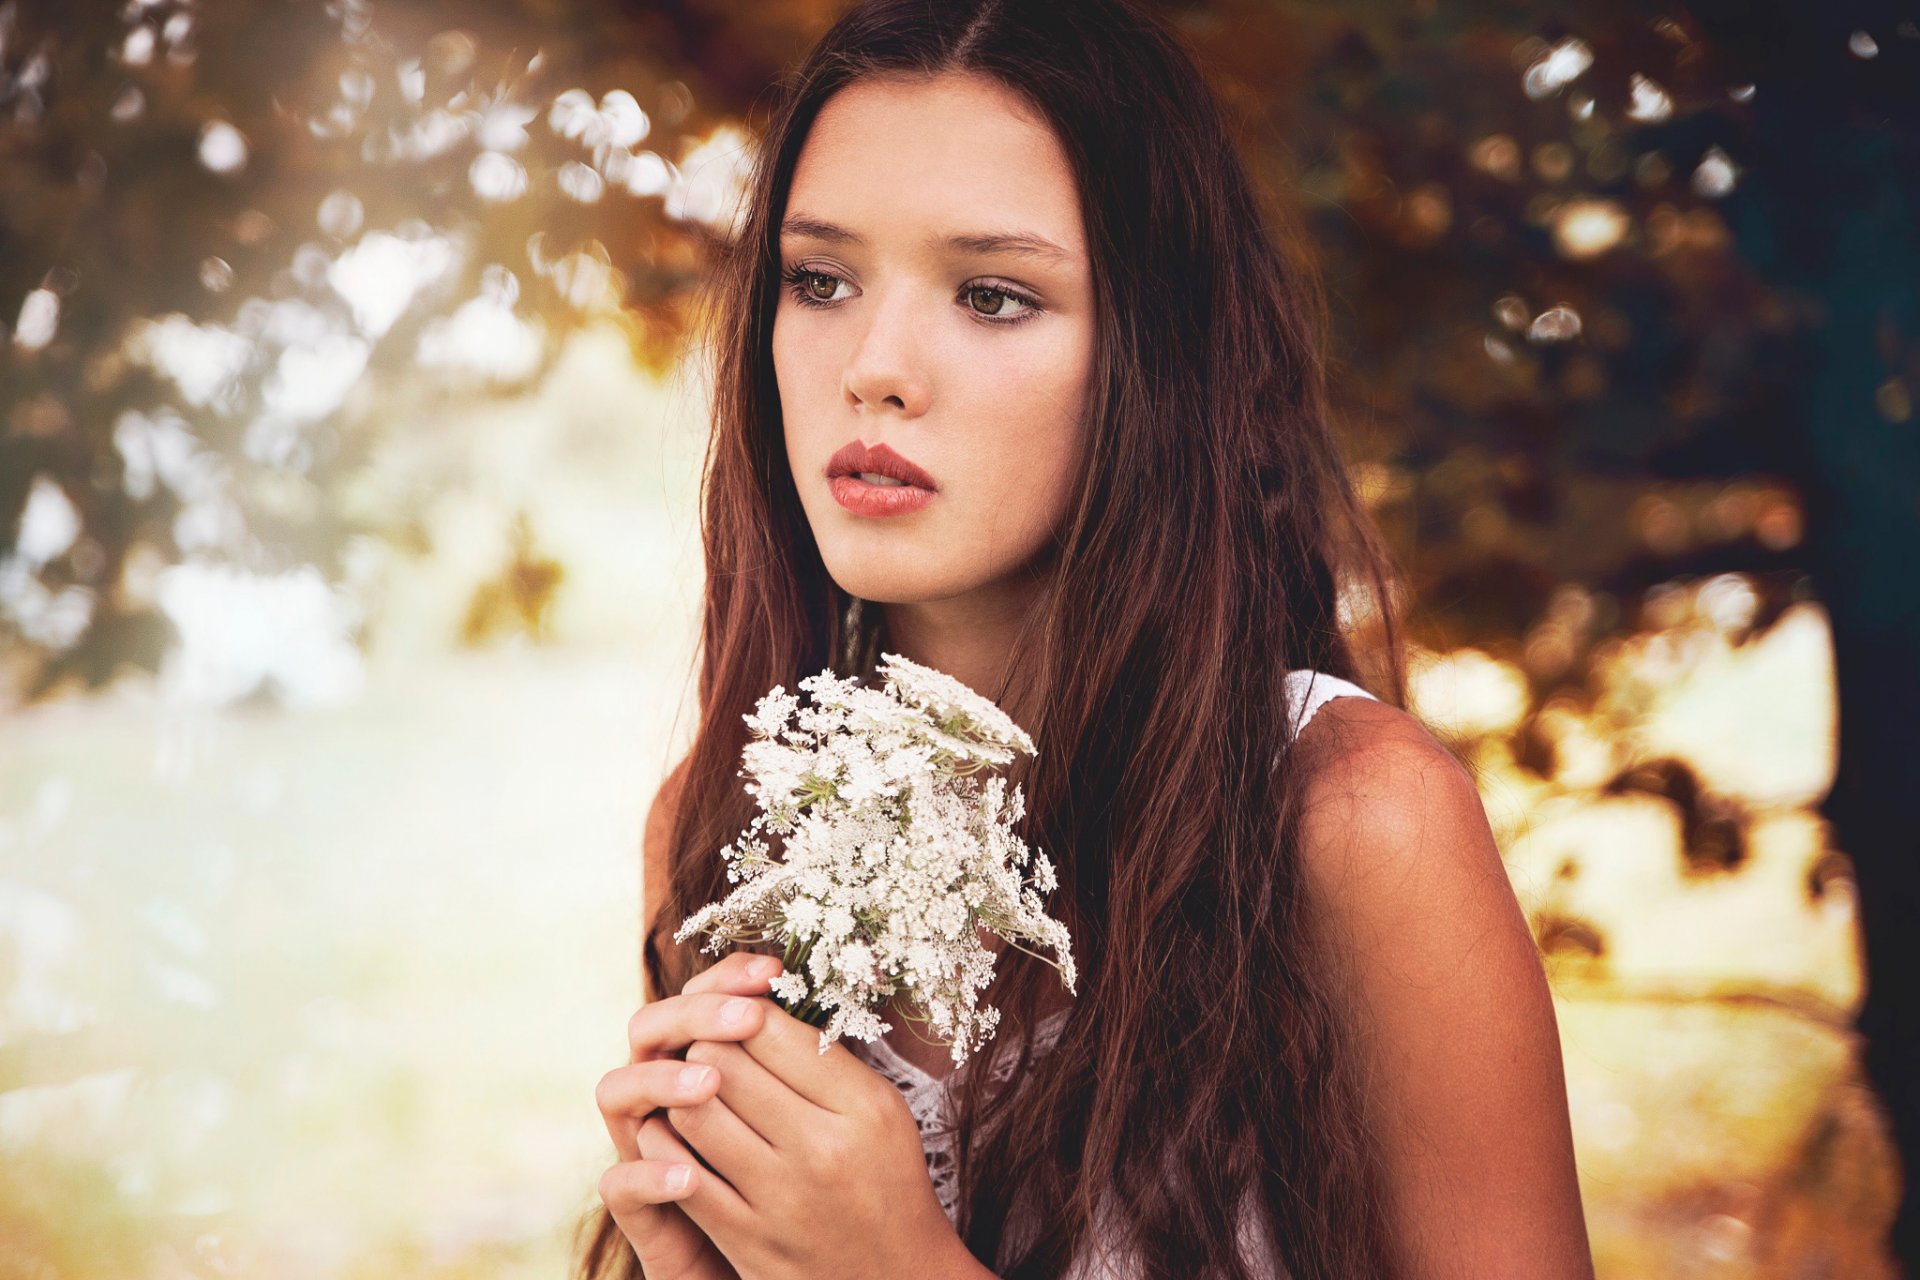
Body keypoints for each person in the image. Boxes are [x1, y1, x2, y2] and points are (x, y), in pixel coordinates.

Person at [580, 0, 1595, 1276]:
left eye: (994, 295)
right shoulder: (723, 823)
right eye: (820, 279)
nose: (874, 366)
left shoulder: (1351, 824)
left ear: (1151, 356)